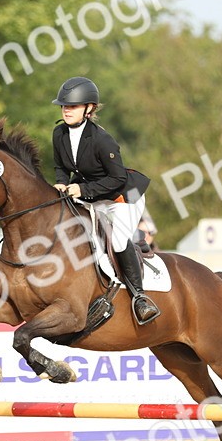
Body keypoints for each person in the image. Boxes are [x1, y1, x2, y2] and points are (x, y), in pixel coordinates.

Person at [51, 76, 159, 325]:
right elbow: (60, 166)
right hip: (94, 196)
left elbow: (118, 178)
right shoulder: (59, 134)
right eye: (64, 106)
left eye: (73, 106)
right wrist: (60, 181)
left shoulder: (102, 140)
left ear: (89, 109)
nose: (66, 110)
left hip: (124, 196)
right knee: (84, 240)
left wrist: (81, 189)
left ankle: (140, 298)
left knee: (119, 241)